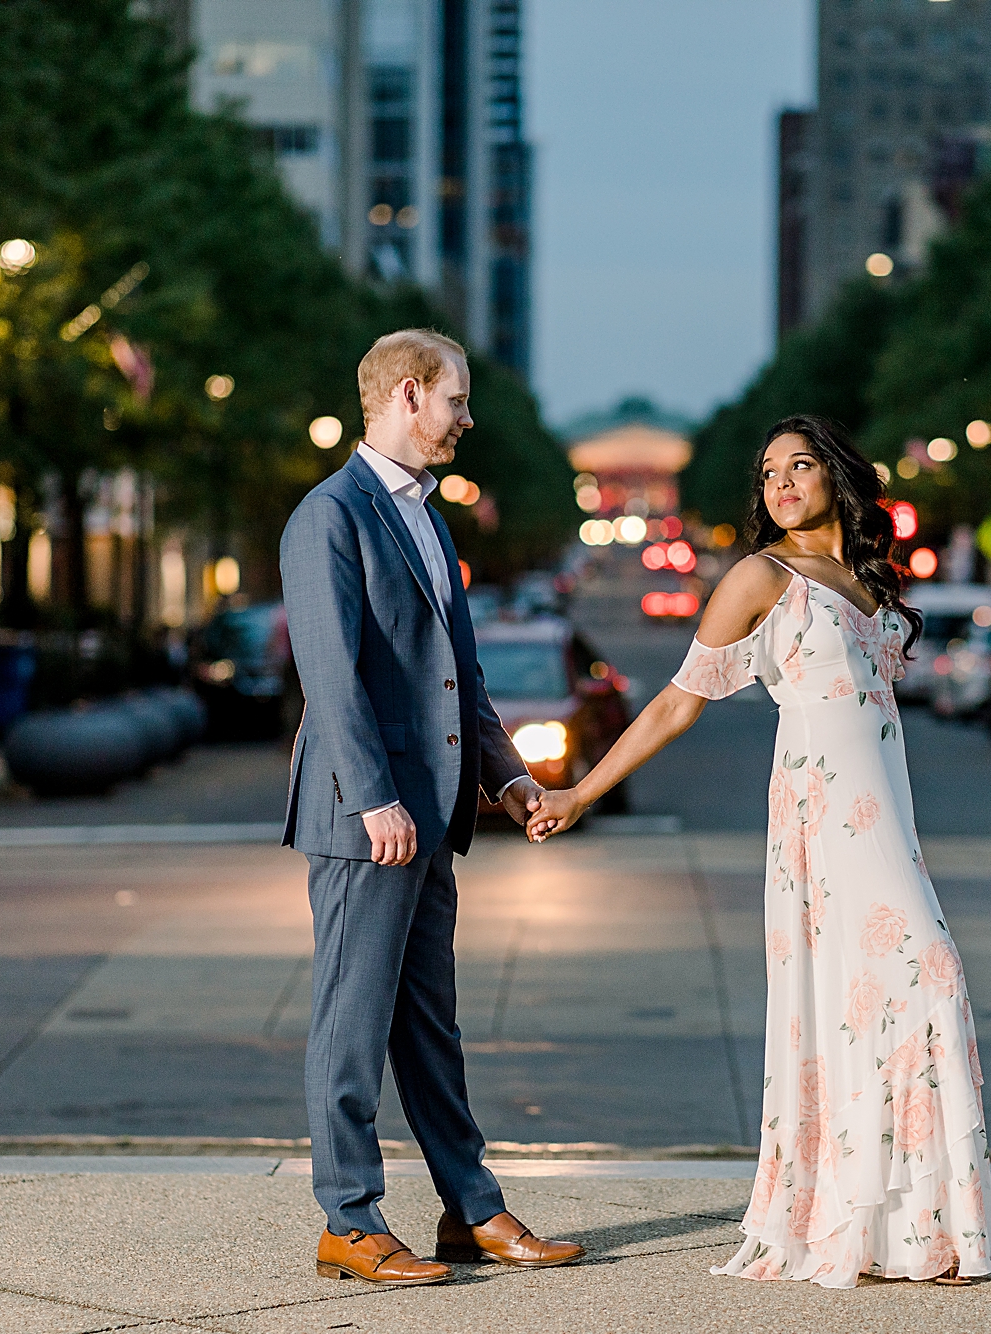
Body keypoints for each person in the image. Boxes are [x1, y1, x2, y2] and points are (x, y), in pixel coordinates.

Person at [528, 414, 991, 1289]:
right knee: (925, 972)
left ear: (838, 478)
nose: (781, 483)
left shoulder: (867, 581)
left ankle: (908, 1234)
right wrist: (579, 791)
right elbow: (678, 700)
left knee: (888, 999)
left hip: (887, 816)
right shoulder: (760, 576)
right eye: (769, 472)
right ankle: (859, 1218)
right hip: (823, 817)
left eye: (801, 465)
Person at [280, 328, 585, 1286]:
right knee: (351, 1019)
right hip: (368, 820)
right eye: (456, 400)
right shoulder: (330, 515)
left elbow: (458, 677)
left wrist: (505, 777)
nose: (466, 418)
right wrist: (374, 798)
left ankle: (472, 1210)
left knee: (429, 1027)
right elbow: (330, 677)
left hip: (431, 814)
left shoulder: (428, 516)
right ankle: (348, 1219)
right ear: (409, 394)